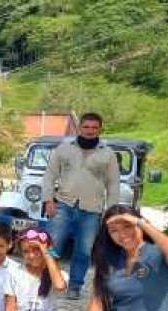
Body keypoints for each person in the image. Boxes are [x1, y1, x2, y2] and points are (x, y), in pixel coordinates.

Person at [42, 112, 120, 300]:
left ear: (100, 129)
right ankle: (45, 282)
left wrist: (111, 212)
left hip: (91, 210)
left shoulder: (108, 154)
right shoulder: (64, 148)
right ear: (79, 128)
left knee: (83, 252)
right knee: (51, 247)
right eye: (86, 127)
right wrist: (48, 200)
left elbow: (113, 184)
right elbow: (50, 175)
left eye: (94, 128)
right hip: (63, 204)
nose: (90, 131)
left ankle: (75, 286)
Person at [2, 227, 69, 311]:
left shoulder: (57, 274)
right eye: (26, 251)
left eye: (36, 249)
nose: (31, 255)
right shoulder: (14, 273)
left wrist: (46, 253)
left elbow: (59, 286)